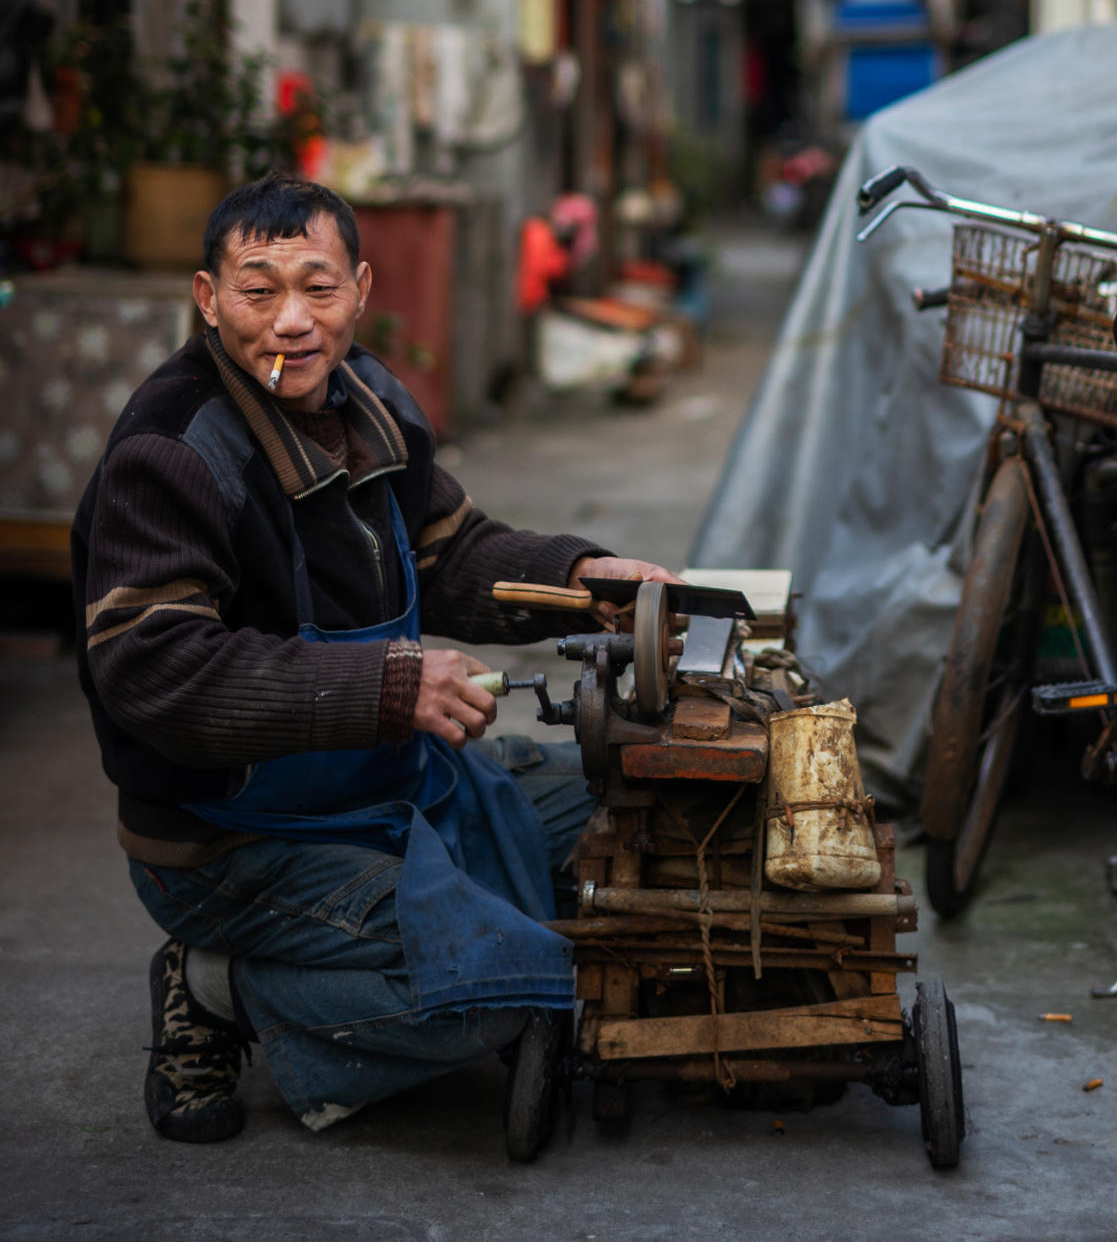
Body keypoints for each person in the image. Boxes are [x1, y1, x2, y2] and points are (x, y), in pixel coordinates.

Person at [71, 171, 676, 1142]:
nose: (291, 322)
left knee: (628, 807)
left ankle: (409, 931)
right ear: (207, 298)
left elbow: (451, 552)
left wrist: (582, 577)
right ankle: (218, 983)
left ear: (359, 286)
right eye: (257, 290)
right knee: (499, 1000)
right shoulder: (173, 453)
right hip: (233, 840)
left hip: (381, 783)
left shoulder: (373, 402)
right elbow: (156, 668)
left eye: (317, 287)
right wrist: (390, 684)